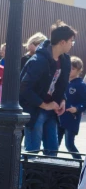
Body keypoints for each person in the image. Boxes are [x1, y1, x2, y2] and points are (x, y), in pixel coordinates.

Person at [20, 21, 75, 156]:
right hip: (35, 111)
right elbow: (24, 88)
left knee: (52, 153)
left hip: (52, 112)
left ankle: (46, 178)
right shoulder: (38, 60)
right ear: (62, 42)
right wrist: (44, 104)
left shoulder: (65, 60)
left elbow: (61, 85)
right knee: (31, 154)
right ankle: (23, 178)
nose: (72, 44)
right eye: (71, 41)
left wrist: (62, 100)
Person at [58, 56, 86, 159]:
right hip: (59, 117)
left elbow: (84, 102)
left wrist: (77, 108)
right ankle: (51, 163)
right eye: (68, 68)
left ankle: (80, 164)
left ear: (79, 70)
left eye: (73, 69)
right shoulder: (63, 82)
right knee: (54, 143)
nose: (70, 70)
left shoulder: (81, 85)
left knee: (69, 144)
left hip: (72, 118)